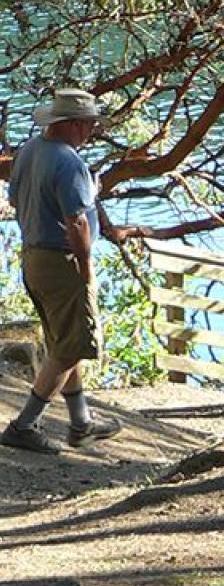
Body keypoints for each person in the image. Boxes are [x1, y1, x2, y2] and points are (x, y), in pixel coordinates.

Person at [1, 88, 122, 455]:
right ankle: (24, 425)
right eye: (87, 124)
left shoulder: (28, 153)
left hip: (34, 257)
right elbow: (78, 223)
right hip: (61, 261)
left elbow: (15, 199)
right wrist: (85, 266)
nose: (91, 131)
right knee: (72, 346)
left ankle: (81, 423)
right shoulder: (69, 163)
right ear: (70, 124)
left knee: (62, 340)